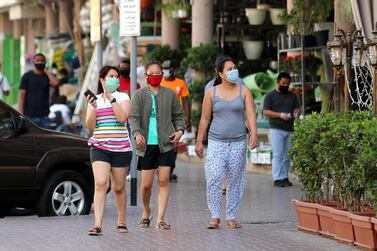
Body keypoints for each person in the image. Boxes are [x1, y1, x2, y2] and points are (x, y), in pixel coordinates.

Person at [195, 56, 257, 229]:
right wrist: (199, 141)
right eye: (229, 69)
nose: (233, 71)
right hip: (216, 142)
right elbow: (205, 118)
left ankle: (231, 215)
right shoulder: (211, 92)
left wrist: (254, 133)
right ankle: (215, 215)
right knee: (214, 177)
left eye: (234, 67)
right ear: (220, 73)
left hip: (238, 141)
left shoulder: (244, 90)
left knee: (235, 179)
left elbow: (251, 113)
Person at [129, 60, 185, 230]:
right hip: (146, 145)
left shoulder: (170, 94)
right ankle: (146, 212)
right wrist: (137, 134)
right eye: (151, 74)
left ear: (163, 75)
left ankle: (160, 219)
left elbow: (178, 116)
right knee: (146, 185)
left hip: (166, 144)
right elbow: (134, 118)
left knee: (163, 181)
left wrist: (180, 130)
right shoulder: (139, 95)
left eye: (158, 73)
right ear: (146, 75)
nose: (155, 76)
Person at [85, 65, 132, 235]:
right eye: (110, 76)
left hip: (121, 148)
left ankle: (121, 221)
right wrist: (93, 108)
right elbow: (90, 126)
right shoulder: (95, 99)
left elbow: (122, 118)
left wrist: (112, 99)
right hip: (99, 147)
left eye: (116, 76)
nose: (114, 79)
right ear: (102, 80)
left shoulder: (123, 97)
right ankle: (97, 224)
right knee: (101, 183)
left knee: (119, 187)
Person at [263, 72, 300, 187]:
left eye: (287, 84)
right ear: (277, 82)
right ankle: (277, 178)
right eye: (283, 83)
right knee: (278, 154)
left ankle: (284, 177)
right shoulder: (270, 96)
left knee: (287, 155)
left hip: (290, 128)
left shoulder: (293, 96)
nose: (285, 85)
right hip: (276, 129)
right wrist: (280, 115)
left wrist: (296, 113)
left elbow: (297, 108)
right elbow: (266, 112)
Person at [160, 60, 190, 182]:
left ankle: (170, 169)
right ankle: (162, 168)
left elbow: (186, 101)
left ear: (173, 70)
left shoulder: (180, 83)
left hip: (175, 118)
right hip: (161, 118)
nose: (166, 72)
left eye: (168, 69)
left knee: (174, 145)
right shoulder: (160, 83)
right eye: (164, 69)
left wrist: (187, 118)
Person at [18, 53, 59, 128]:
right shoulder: (27, 76)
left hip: (44, 116)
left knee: (44, 139)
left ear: (45, 62)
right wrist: (21, 115)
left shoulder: (47, 76)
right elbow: (21, 96)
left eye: (42, 61)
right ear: (33, 62)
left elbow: (55, 83)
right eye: (38, 60)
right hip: (30, 116)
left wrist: (46, 71)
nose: (40, 62)